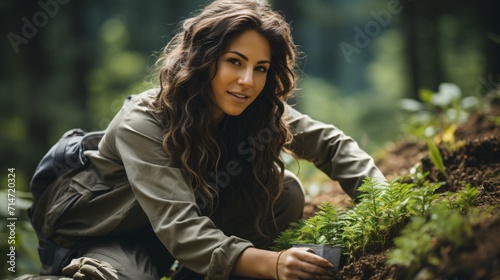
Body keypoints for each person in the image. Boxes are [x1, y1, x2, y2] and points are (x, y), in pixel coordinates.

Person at [18, 0, 386, 279]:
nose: (248, 81)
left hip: (166, 230)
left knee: (282, 191)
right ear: (203, 59)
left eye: (261, 69)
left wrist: (384, 204)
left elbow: (330, 143)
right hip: (107, 234)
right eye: (235, 62)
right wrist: (273, 264)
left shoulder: (253, 108)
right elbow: (180, 227)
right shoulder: (144, 122)